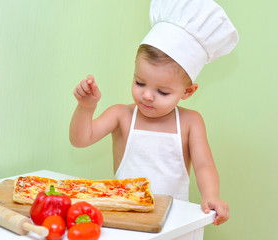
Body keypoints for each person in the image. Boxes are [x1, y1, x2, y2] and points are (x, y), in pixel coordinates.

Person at [70, 0, 238, 226]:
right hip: (127, 222)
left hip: (174, 223)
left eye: (162, 91)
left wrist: (211, 195)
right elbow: (80, 140)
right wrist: (86, 107)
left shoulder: (191, 122)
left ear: (187, 92)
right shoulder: (121, 115)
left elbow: (203, 165)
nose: (147, 96)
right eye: (140, 82)